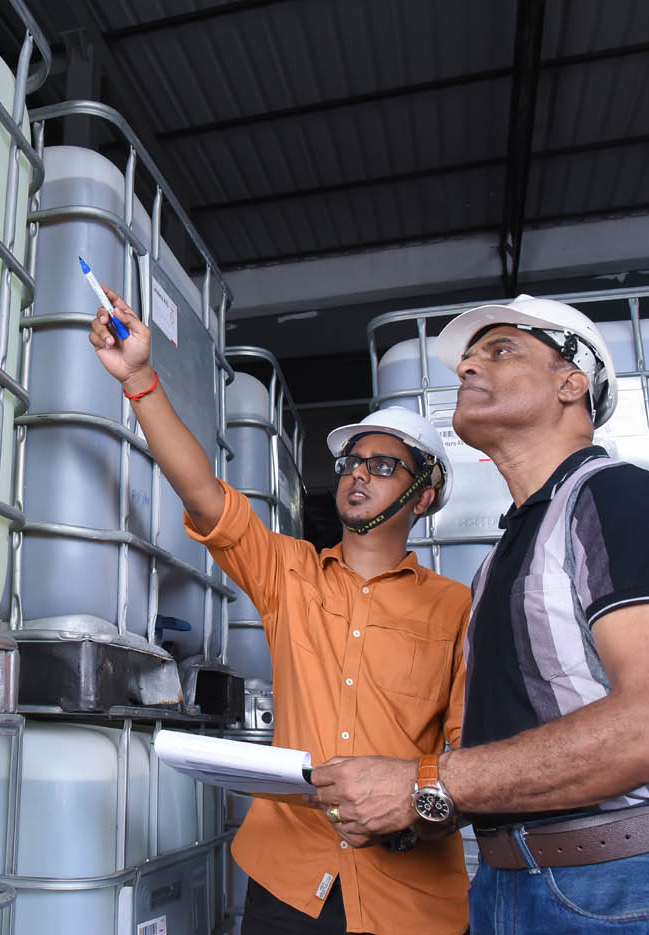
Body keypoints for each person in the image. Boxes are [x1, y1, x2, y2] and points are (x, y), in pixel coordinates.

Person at [310, 295, 649, 934]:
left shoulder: (618, 499)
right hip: (513, 884)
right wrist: (420, 807)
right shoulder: (506, 554)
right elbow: (520, 737)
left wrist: (422, 782)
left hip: (628, 886)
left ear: (571, 384)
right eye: (467, 358)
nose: (467, 367)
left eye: (501, 350)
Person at [88, 287, 470, 935]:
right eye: (352, 462)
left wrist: (412, 811)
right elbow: (204, 495)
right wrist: (140, 380)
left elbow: (470, 753)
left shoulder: (457, 606)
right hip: (287, 884)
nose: (358, 474)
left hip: (409, 899)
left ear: (423, 494)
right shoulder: (290, 573)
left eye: (383, 466)